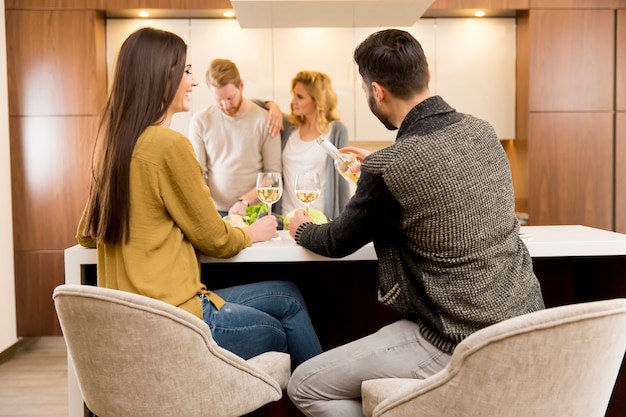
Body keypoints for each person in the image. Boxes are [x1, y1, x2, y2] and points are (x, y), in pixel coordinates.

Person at [286, 28, 545, 416]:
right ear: (426, 75)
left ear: (377, 92)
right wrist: (370, 175)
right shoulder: (482, 131)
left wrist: (300, 228)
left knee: (304, 386)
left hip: (452, 340)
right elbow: (437, 190)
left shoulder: (390, 167)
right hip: (524, 327)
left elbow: (335, 242)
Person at [76, 27, 321, 369]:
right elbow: (216, 240)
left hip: (134, 318)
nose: (193, 82)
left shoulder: (113, 147)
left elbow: (86, 233)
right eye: (187, 71)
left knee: (287, 294)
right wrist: (252, 233)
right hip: (179, 318)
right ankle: (314, 395)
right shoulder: (169, 145)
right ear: (162, 77)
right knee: (281, 331)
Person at [189, 58, 282, 217]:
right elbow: (198, 173)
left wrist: (244, 201)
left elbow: (272, 175)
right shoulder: (200, 122)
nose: (226, 105)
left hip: (255, 211)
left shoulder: (265, 120)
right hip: (214, 212)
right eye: (219, 100)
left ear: (241, 86)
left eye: (230, 98)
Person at [253, 71, 351, 220]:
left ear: (317, 100)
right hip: (286, 218)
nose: (293, 101)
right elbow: (252, 104)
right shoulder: (289, 126)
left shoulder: (336, 131)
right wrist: (273, 106)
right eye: (293, 95)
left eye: (299, 97)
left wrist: (344, 223)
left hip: (321, 220)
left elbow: (343, 183)